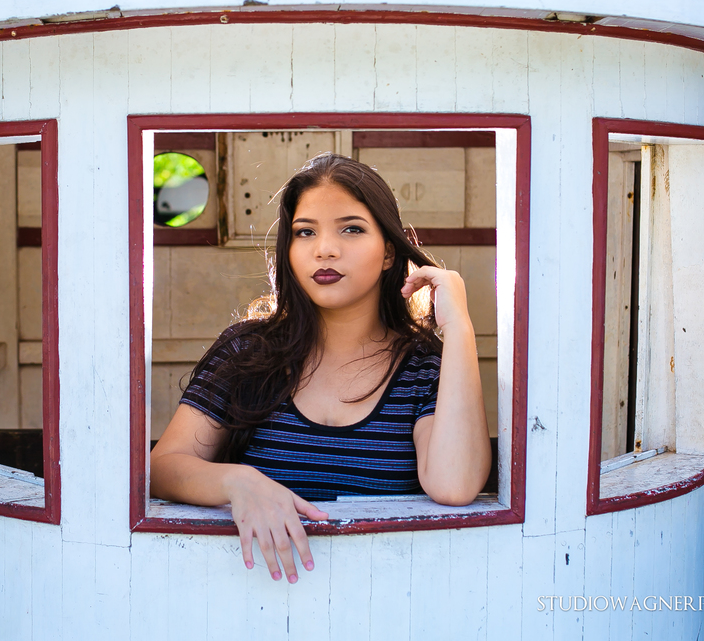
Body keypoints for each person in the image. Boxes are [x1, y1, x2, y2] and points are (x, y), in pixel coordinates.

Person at [150, 153, 490, 584]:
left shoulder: (422, 367)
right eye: (305, 232)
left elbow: (454, 486)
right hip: (254, 600)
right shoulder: (246, 352)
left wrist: (458, 326)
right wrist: (239, 483)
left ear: (389, 251)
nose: (324, 249)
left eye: (351, 228)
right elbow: (162, 467)